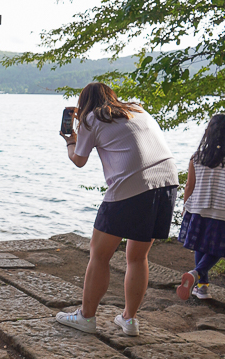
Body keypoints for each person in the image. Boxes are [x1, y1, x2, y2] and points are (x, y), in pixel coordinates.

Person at [58, 82, 178, 337]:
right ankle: (129, 319)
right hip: (167, 182)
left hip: (132, 186)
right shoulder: (137, 110)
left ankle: (86, 317)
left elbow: (79, 160)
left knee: (99, 254)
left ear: (83, 104)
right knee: (137, 256)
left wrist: (71, 140)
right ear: (111, 96)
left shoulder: (91, 118)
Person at [176, 113, 225, 300]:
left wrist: (185, 205)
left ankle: (200, 283)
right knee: (216, 250)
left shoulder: (197, 157)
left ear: (208, 132)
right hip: (224, 211)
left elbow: (189, 186)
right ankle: (198, 279)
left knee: (200, 244)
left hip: (198, 208)